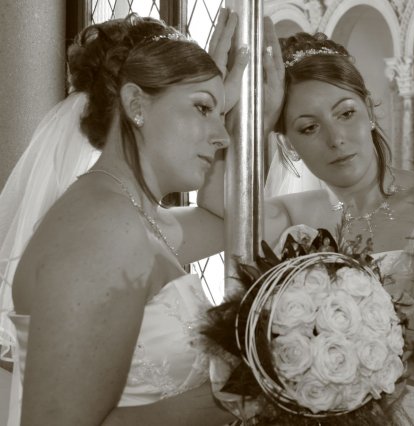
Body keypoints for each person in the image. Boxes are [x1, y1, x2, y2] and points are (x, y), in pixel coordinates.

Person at [0, 10, 282, 425]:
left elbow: (221, 220)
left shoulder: (131, 215)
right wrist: (245, 391)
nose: (221, 137)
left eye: (219, 115)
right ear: (135, 104)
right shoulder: (103, 231)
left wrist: (245, 120)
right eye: (201, 107)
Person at [263, 32, 414, 256]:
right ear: (288, 144)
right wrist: (259, 124)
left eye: (346, 113)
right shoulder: (286, 219)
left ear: (369, 111)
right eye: (309, 127)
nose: (335, 139)